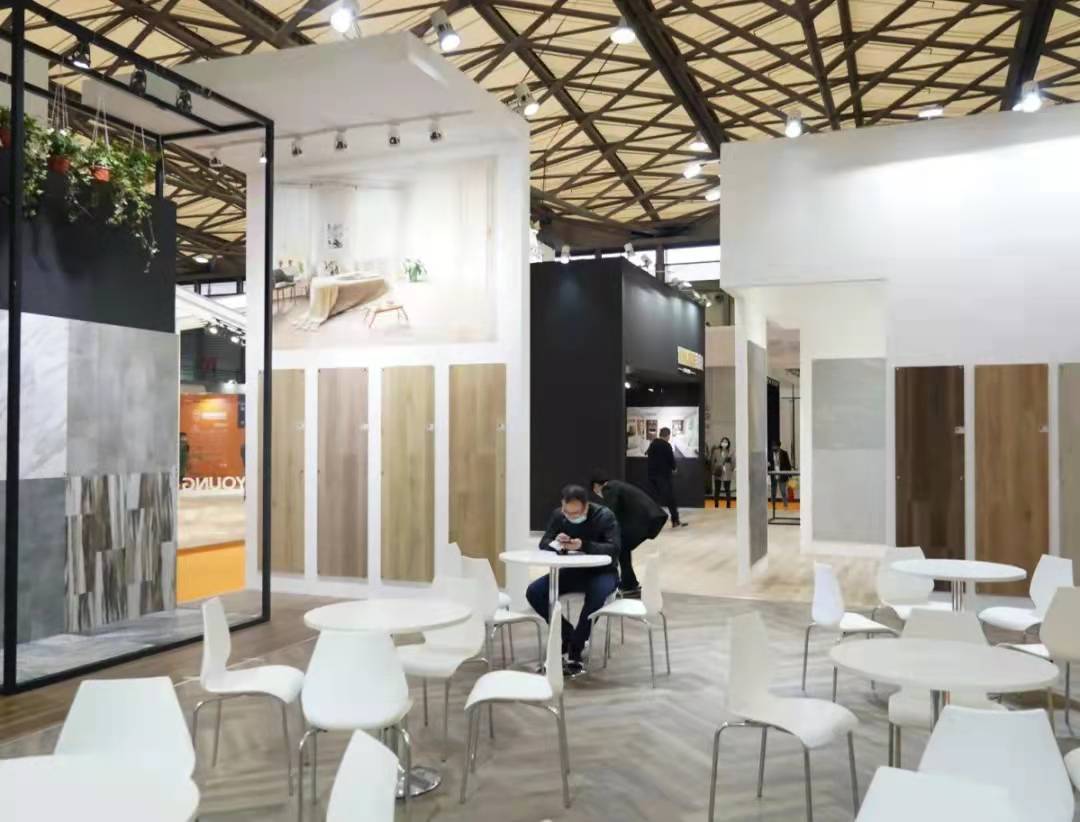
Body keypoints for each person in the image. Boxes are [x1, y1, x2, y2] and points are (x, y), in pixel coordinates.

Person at [525, 485, 620, 674]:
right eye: (567, 512)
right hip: (574, 571)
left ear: (586, 507)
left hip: (603, 572)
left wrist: (583, 545)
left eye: (576, 513)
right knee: (535, 591)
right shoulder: (559, 515)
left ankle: (576, 647)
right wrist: (557, 543)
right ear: (562, 506)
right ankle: (568, 634)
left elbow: (613, 548)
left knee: (596, 595)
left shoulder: (605, 516)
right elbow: (544, 542)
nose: (571, 516)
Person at [590, 472, 667, 597]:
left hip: (645, 520)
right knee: (622, 547)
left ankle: (629, 585)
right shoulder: (617, 485)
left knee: (621, 547)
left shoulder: (608, 488)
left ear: (596, 486)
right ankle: (629, 584)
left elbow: (611, 512)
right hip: (651, 518)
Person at [646, 427, 685, 528]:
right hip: (663, 476)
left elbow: (648, 456)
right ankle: (675, 520)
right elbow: (671, 459)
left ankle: (652, 522)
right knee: (670, 499)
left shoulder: (653, 444)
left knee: (654, 499)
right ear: (668, 435)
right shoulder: (666, 446)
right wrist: (674, 468)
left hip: (652, 476)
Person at [710, 437, 735, 508]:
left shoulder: (730, 452)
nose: (724, 443)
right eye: (723, 442)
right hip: (718, 471)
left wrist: (732, 468)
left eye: (726, 442)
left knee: (727, 489)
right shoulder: (716, 451)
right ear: (721, 443)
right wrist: (713, 470)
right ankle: (716, 505)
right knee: (717, 489)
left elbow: (733, 462)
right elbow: (712, 461)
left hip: (727, 472)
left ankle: (728, 505)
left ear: (728, 444)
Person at [768, 440, 793, 508]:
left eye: (775, 446)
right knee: (773, 492)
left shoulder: (784, 453)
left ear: (778, 446)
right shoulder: (770, 454)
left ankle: (785, 505)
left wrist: (790, 475)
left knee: (783, 491)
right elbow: (768, 463)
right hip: (773, 475)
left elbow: (788, 464)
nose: (773, 448)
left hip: (782, 475)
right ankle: (773, 506)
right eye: (773, 446)